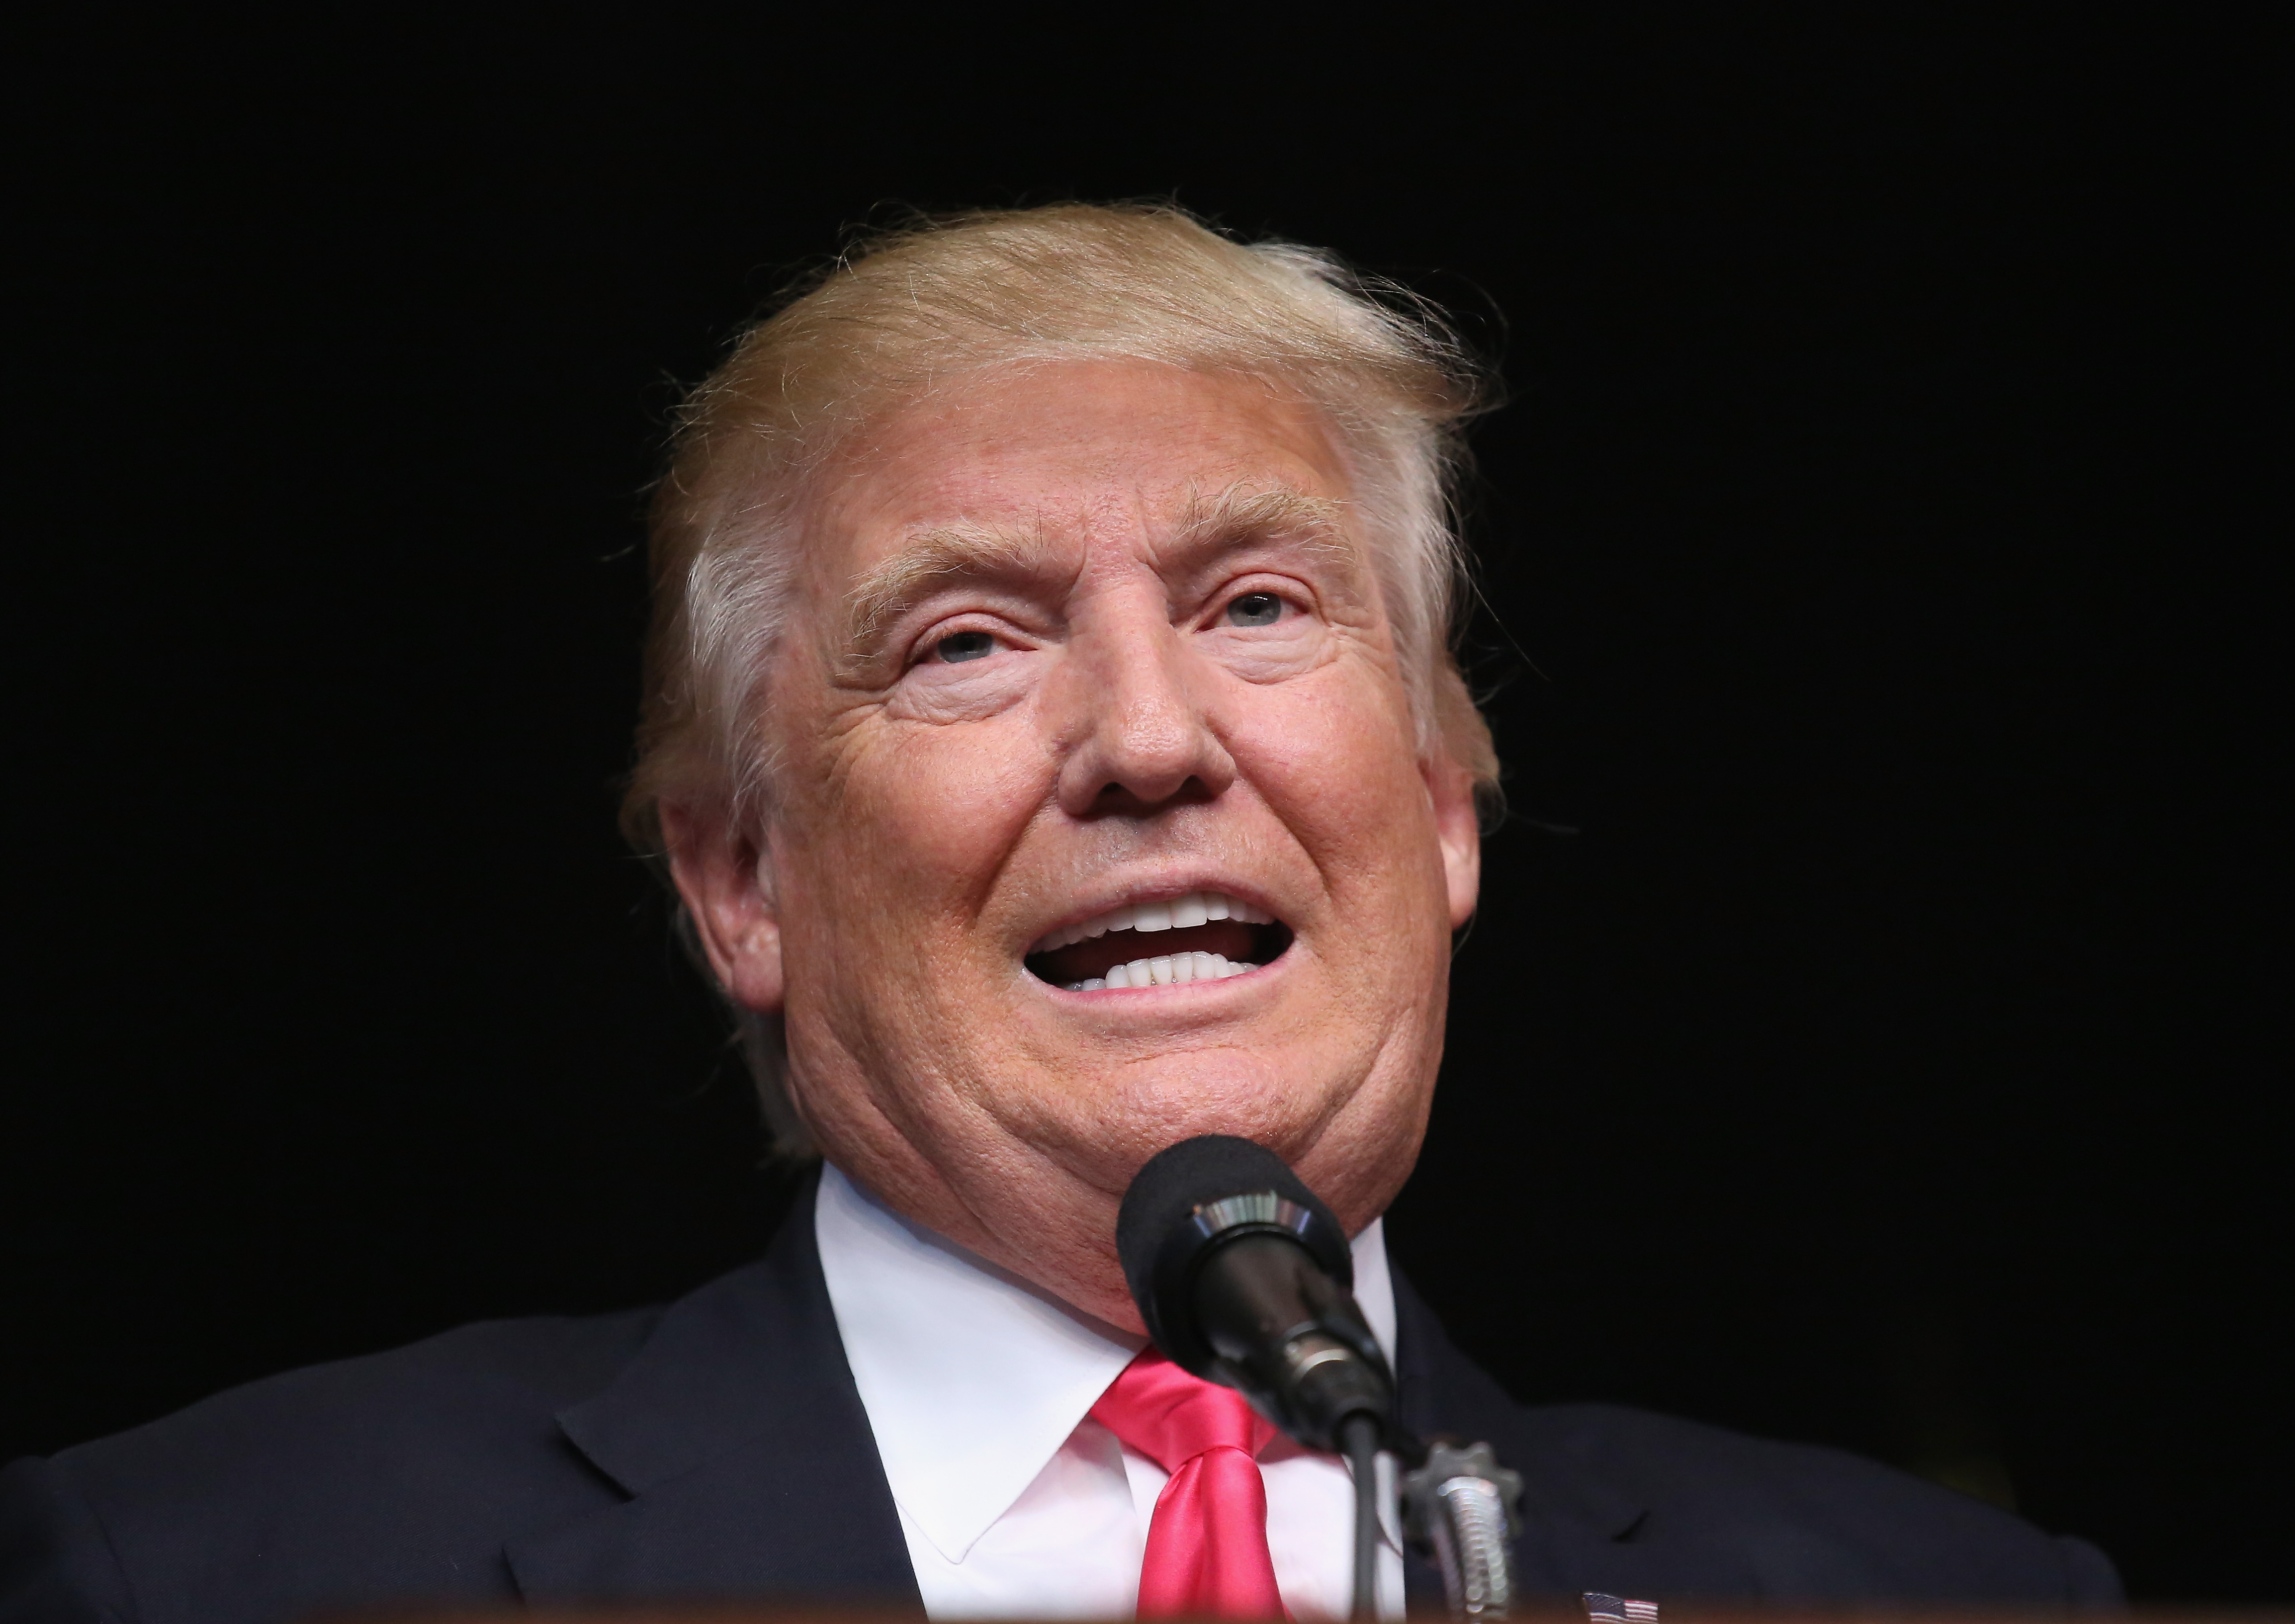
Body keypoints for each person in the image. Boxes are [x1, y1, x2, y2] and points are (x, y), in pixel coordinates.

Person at [0, 204, 2119, 1624]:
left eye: (1257, 607)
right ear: (742, 880)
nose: (1144, 737)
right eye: (965, 643)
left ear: (1444, 812)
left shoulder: (1942, 1598)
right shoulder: (205, 1563)